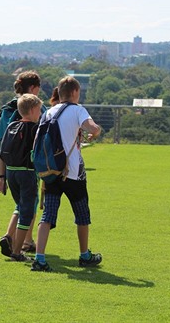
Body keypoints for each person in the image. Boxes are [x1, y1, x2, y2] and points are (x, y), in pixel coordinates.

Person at [31, 76, 102, 272]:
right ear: (75, 93)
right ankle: (84, 255)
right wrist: (93, 133)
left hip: (51, 172)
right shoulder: (78, 110)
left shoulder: (48, 112)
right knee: (82, 214)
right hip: (73, 174)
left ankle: (40, 258)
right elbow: (93, 128)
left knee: (48, 215)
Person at [0, 70, 46, 257]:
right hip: (27, 169)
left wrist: (0, 172)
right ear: (32, 88)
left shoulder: (7, 111)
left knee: (21, 205)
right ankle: (20, 245)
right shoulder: (36, 115)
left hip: (10, 168)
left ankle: (16, 238)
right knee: (28, 206)